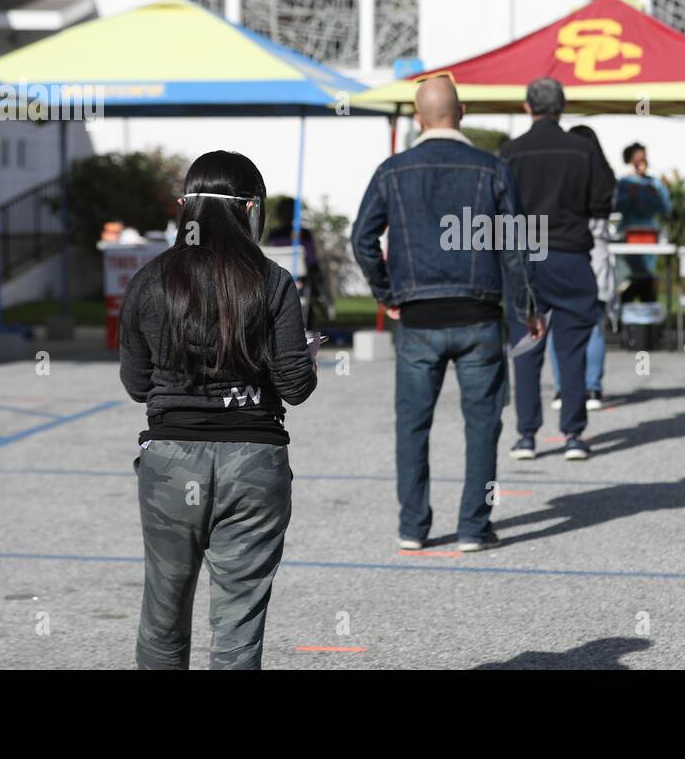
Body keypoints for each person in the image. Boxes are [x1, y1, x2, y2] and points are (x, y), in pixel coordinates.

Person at [119, 150, 317, 670]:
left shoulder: (149, 280)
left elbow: (137, 385)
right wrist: (305, 359)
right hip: (254, 461)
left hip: (169, 461)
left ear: (185, 207)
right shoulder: (272, 281)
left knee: (163, 612)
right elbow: (295, 387)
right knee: (238, 625)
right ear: (251, 209)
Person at [351, 76, 541, 553]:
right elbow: (516, 247)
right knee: (483, 424)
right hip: (479, 314)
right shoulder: (492, 169)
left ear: (418, 118)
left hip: (417, 317)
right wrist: (526, 309)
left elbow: (362, 238)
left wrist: (386, 292)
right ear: (463, 112)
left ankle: (413, 527)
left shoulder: (392, 170)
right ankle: (474, 528)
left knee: (413, 424)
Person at [500, 77, 615, 461]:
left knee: (525, 347)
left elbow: (498, 209)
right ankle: (573, 434)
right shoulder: (583, 149)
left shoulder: (510, 152)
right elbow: (603, 201)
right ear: (562, 108)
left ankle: (526, 436)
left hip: (525, 260)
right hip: (570, 256)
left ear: (527, 107)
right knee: (572, 347)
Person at [548, 124, 614, 412]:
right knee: (594, 324)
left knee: (557, 324)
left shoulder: (564, 175)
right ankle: (593, 389)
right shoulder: (606, 178)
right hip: (598, 252)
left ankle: (563, 389)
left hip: (566, 250)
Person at [613, 142, 671, 302]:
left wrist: (657, 195)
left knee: (645, 275)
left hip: (649, 234)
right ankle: (625, 309)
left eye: (643, 158)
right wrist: (629, 195)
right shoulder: (624, 183)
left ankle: (647, 312)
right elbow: (614, 206)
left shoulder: (655, 183)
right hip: (628, 232)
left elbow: (666, 208)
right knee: (629, 276)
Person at [265, 196, 334, 325]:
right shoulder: (304, 234)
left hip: (275, 283)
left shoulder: (273, 235)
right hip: (300, 284)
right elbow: (312, 261)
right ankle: (322, 301)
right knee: (315, 276)